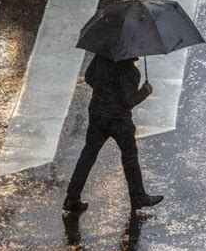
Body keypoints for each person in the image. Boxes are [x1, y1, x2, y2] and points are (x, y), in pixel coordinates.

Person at [63, 55, 164, 212]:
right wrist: (145, 91)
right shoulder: (131, 72)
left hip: (97, 114)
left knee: (88, 155)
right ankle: (138, 196)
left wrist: (103, 88)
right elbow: (129, 101)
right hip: (119, 121)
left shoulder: (101, 57)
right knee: (129, 156)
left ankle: (72, 197)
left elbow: (89, 77)